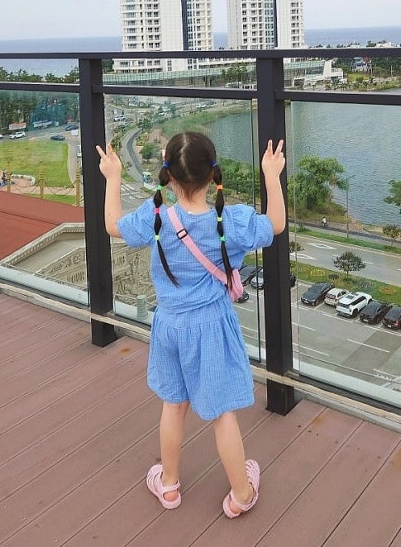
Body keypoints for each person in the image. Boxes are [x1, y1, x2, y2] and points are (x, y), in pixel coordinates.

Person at [97, 131, 286, 518]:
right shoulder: (229, 222)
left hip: (169, 325)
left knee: (174, 404)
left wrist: (113, 177)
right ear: (213, 173)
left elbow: (113, 225)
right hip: (211, 328)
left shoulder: (156, 218)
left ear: (167, 171)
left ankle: (168, 485)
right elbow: (277, 223)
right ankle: (241, 494)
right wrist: (271, 174)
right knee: (222, 413)